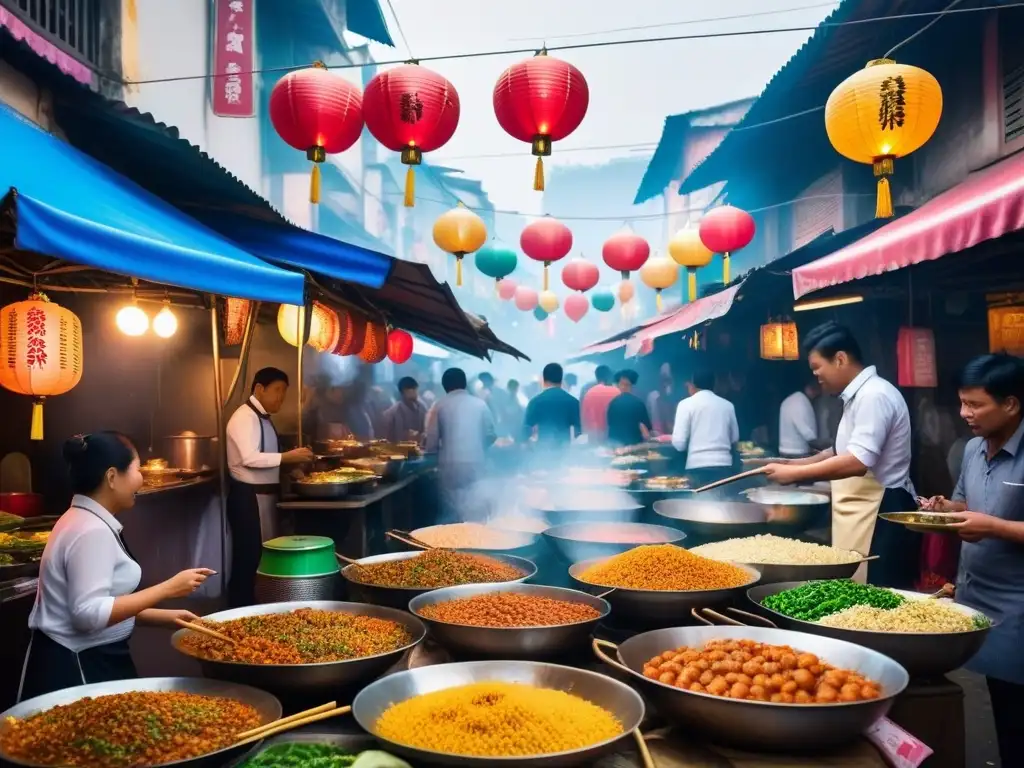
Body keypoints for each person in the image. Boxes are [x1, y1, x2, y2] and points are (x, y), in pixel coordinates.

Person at [19, 433, 215, 701]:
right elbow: (88, 615)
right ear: (112, 477)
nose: (141, 479)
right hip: (78, 667)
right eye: (136, 469)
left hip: (87, 658)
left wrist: (161, 617)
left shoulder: (83, 519)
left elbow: (97, 603)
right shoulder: (91, 531)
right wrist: (168, 588)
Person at [919, 354, 1024, 767]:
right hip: (974, 597)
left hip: (1018, 605)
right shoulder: (973, 449)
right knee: (989, 706)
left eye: (975, 405)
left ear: (1011, 404)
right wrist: (945, 508)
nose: (964, 414)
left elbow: (990, 520)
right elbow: (968, 503)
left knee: (1016, 715)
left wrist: (995, 527)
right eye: (962, 403)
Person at [761, 322, 918, 588]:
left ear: (840, 359)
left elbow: (858, 461)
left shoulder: (874, 395)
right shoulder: (856, 396)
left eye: (817, 368)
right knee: (853, 587)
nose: (817, 376)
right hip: (862, 507)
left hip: (883, 509)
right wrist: (794, 463)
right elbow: (840, 450)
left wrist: (795, 474)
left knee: (874, 595)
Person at [225, 368, 312, 607]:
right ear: (259, 389)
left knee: (264, 556)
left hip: (264, 497)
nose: (281, 398)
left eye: (284, 392)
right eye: (277, 391)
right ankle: (239, 610)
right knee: (249, 559)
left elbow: (267, 457)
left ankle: (260, 607)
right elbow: (249, 458)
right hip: (248, 498)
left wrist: (289, 469)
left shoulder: (263, 418)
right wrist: (287, 458)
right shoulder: (245, 417)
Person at [425, 368, 496, 522]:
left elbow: (431, 441)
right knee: (476, 505)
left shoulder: (439, 405)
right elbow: (491, 436)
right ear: (465, 384)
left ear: (445, 386)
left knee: (452, 509)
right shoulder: (480, 404)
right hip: (476, 463)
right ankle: (478, 539)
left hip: (450, 466)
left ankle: (452, 541)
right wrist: (477, 447)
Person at [671, 369, 739, 484]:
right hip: (724, 467)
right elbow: (734, 438)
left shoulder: (685, 405)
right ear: (715, 384)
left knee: (700, 501)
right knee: (723, 501)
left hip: (696, 467)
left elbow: (679, 444)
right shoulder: (728, 406)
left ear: (693, 384)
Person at [523, 363, 581, 446]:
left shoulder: (535, 402)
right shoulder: (573, 401)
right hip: (565, 452)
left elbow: (526, 430)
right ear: (561, 380)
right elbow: (580, 430)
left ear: (543, 380)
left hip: (543, 451)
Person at [607, 369, 652, 447]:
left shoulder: (612, 403)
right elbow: (646, 427)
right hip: (634, 445)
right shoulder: (638, 403)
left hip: (615, 445)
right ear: (632, 385)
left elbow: (609, 423)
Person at [778, 380, 822, 458]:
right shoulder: (801, 401)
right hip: (797, 452)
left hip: (785, 449)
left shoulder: (790, 400)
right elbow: (804, 427)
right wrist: (818, 445)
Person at [381, 377, 426, 442]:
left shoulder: (422, 408)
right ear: (404, 391)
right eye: (412, 389)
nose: (415, 392)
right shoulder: (393, 412)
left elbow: (426, 430)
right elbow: (390, 436)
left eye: (415, 389)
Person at [580, 366, 619, 440]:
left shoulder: (587, 390)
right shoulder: (615, 391)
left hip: (593, 432)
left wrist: (584, 431)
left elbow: (583, 413)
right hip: (610, 431)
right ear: (609, 376)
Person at [646, 363, 679, 435]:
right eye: (663, 380)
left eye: (668, 380)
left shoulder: (680, 401)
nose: (665, 384)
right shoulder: (653, 397)